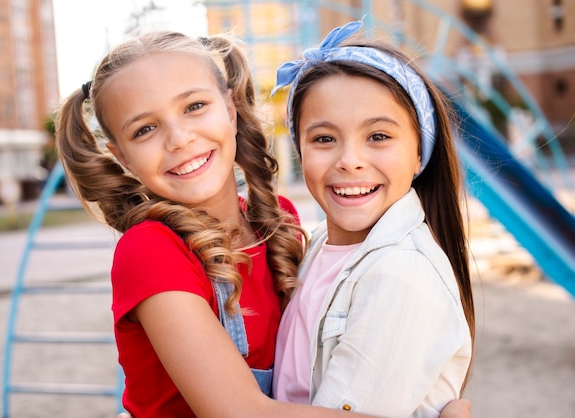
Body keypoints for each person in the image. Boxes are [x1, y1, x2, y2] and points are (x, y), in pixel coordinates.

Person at [55, 26, 472, 418]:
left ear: (231, 110)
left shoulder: (279, 224)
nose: (179, 138)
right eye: (145, 129)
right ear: (123, 156)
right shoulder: (151, 251)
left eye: (194, 106)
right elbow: (242, 412)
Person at [271, 20, 475, 417]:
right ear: (300, 150)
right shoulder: (314, 247)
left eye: (378, 136)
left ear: (419, 153)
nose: (349, 161)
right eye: (324, 139)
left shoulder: (401, 274)